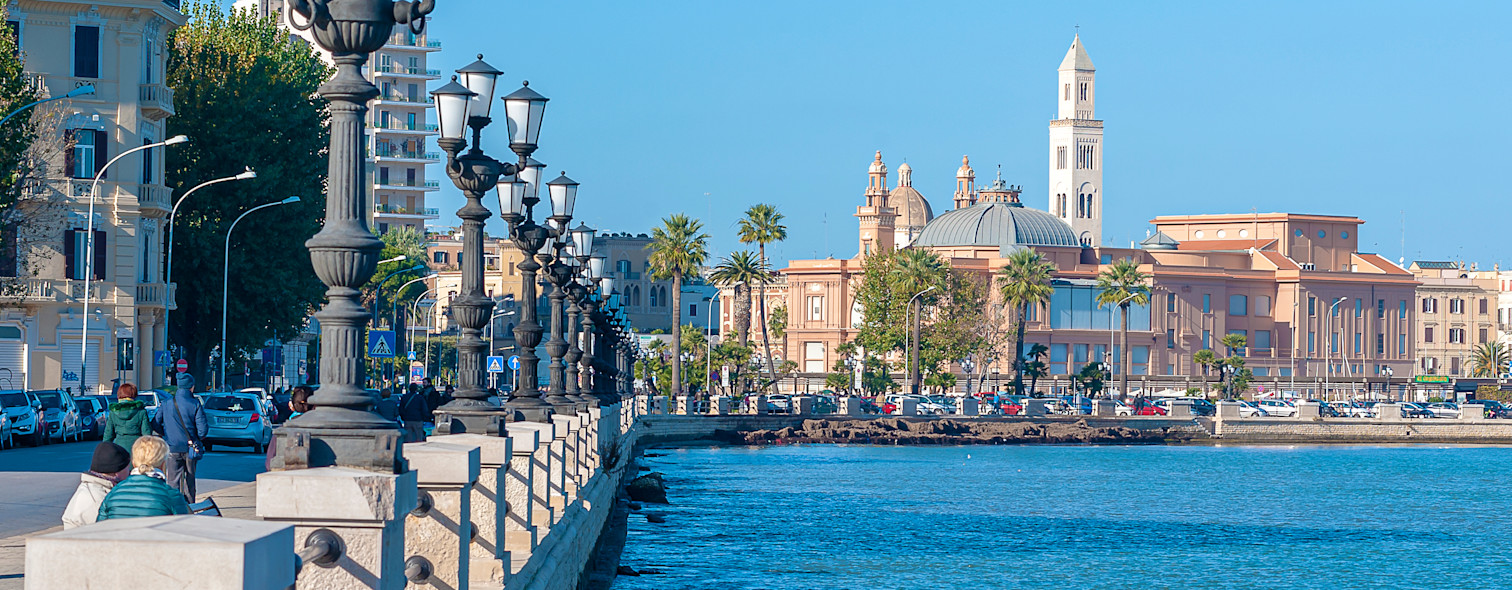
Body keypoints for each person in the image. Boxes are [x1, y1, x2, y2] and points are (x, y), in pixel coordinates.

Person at [96, 436, 190, 521]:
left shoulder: (113, 493)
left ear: (133, 462)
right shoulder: (172, 496)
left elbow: (99, 529)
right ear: (163, 464)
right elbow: (183, 532)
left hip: (117, 539)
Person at [152, 372, 207, 502]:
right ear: (191, 387)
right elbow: (203, 430)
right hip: (190, 448)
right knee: (190, 480)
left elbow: (155, 423)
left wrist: (166, 434)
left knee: (172, 480)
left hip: (172, 447)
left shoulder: (166, 403)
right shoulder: (195, 404)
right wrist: (196, 438)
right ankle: (189, 506)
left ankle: (174, 507)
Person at [61, 441, 132, 529]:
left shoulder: (91, 487)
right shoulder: (99, 499)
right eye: (127, 467)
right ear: (117, 471)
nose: (130, 472)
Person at [102, 382, 152, 453]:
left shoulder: (113, 412)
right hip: (137, 448)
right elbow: (146, 434)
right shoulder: (141, 412)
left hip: (118, 447)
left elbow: (108, 434)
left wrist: (104, 450)